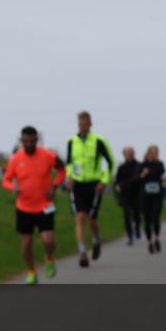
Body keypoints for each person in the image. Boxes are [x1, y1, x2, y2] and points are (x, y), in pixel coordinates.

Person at [1, 126, 66, 284]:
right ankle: (31, 271)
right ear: (22, 141)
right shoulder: (15, 159)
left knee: (48, 241)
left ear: (37, 140)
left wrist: (55, 186)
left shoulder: (48, 155)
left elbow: (62, 170)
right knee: (26, 243)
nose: (29, 144)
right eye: (26, 141)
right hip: (24, 207)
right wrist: (13, 188)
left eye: (32, 141)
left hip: (45, 206)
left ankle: (49, 258)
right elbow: (6, 180)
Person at [64, 111, 116, 268]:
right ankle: (82, 253)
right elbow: (69, 163)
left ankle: (97, 239)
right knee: (80, 217)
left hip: (94, 184)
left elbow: (111, 162)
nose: (83, 127)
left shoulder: (99, 141)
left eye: (85, 124)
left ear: (90, 124)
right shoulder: (72, 142)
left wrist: (104, 181)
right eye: (80, 124)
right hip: (78, 184)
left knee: (92, 219)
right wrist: (69, 177)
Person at [137, 145, 166, 254]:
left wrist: (148, 172)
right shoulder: (142, 165)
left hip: (157, 195)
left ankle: (157, 239)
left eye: (157, 152)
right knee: (147, 220)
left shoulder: (160, 164)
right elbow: (137, 177)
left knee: (156, 217)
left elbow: (160, 171)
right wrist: (142, 175)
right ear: (149, 152)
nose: (155, 154)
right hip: (145, 196)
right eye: (153, 152)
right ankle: (149, 242)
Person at [114, 147, 142, 245]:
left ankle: (137, 228)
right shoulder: (121, 167)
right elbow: (117, 180)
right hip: (125, 194)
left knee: (136, 213)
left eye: (131, 153)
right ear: (124, 154)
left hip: (136, 193)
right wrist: (117, 186)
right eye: (128, 153)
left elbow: (139, 179)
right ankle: (130, 236)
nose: (130, 154)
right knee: (126, 215)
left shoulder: (139, 166)